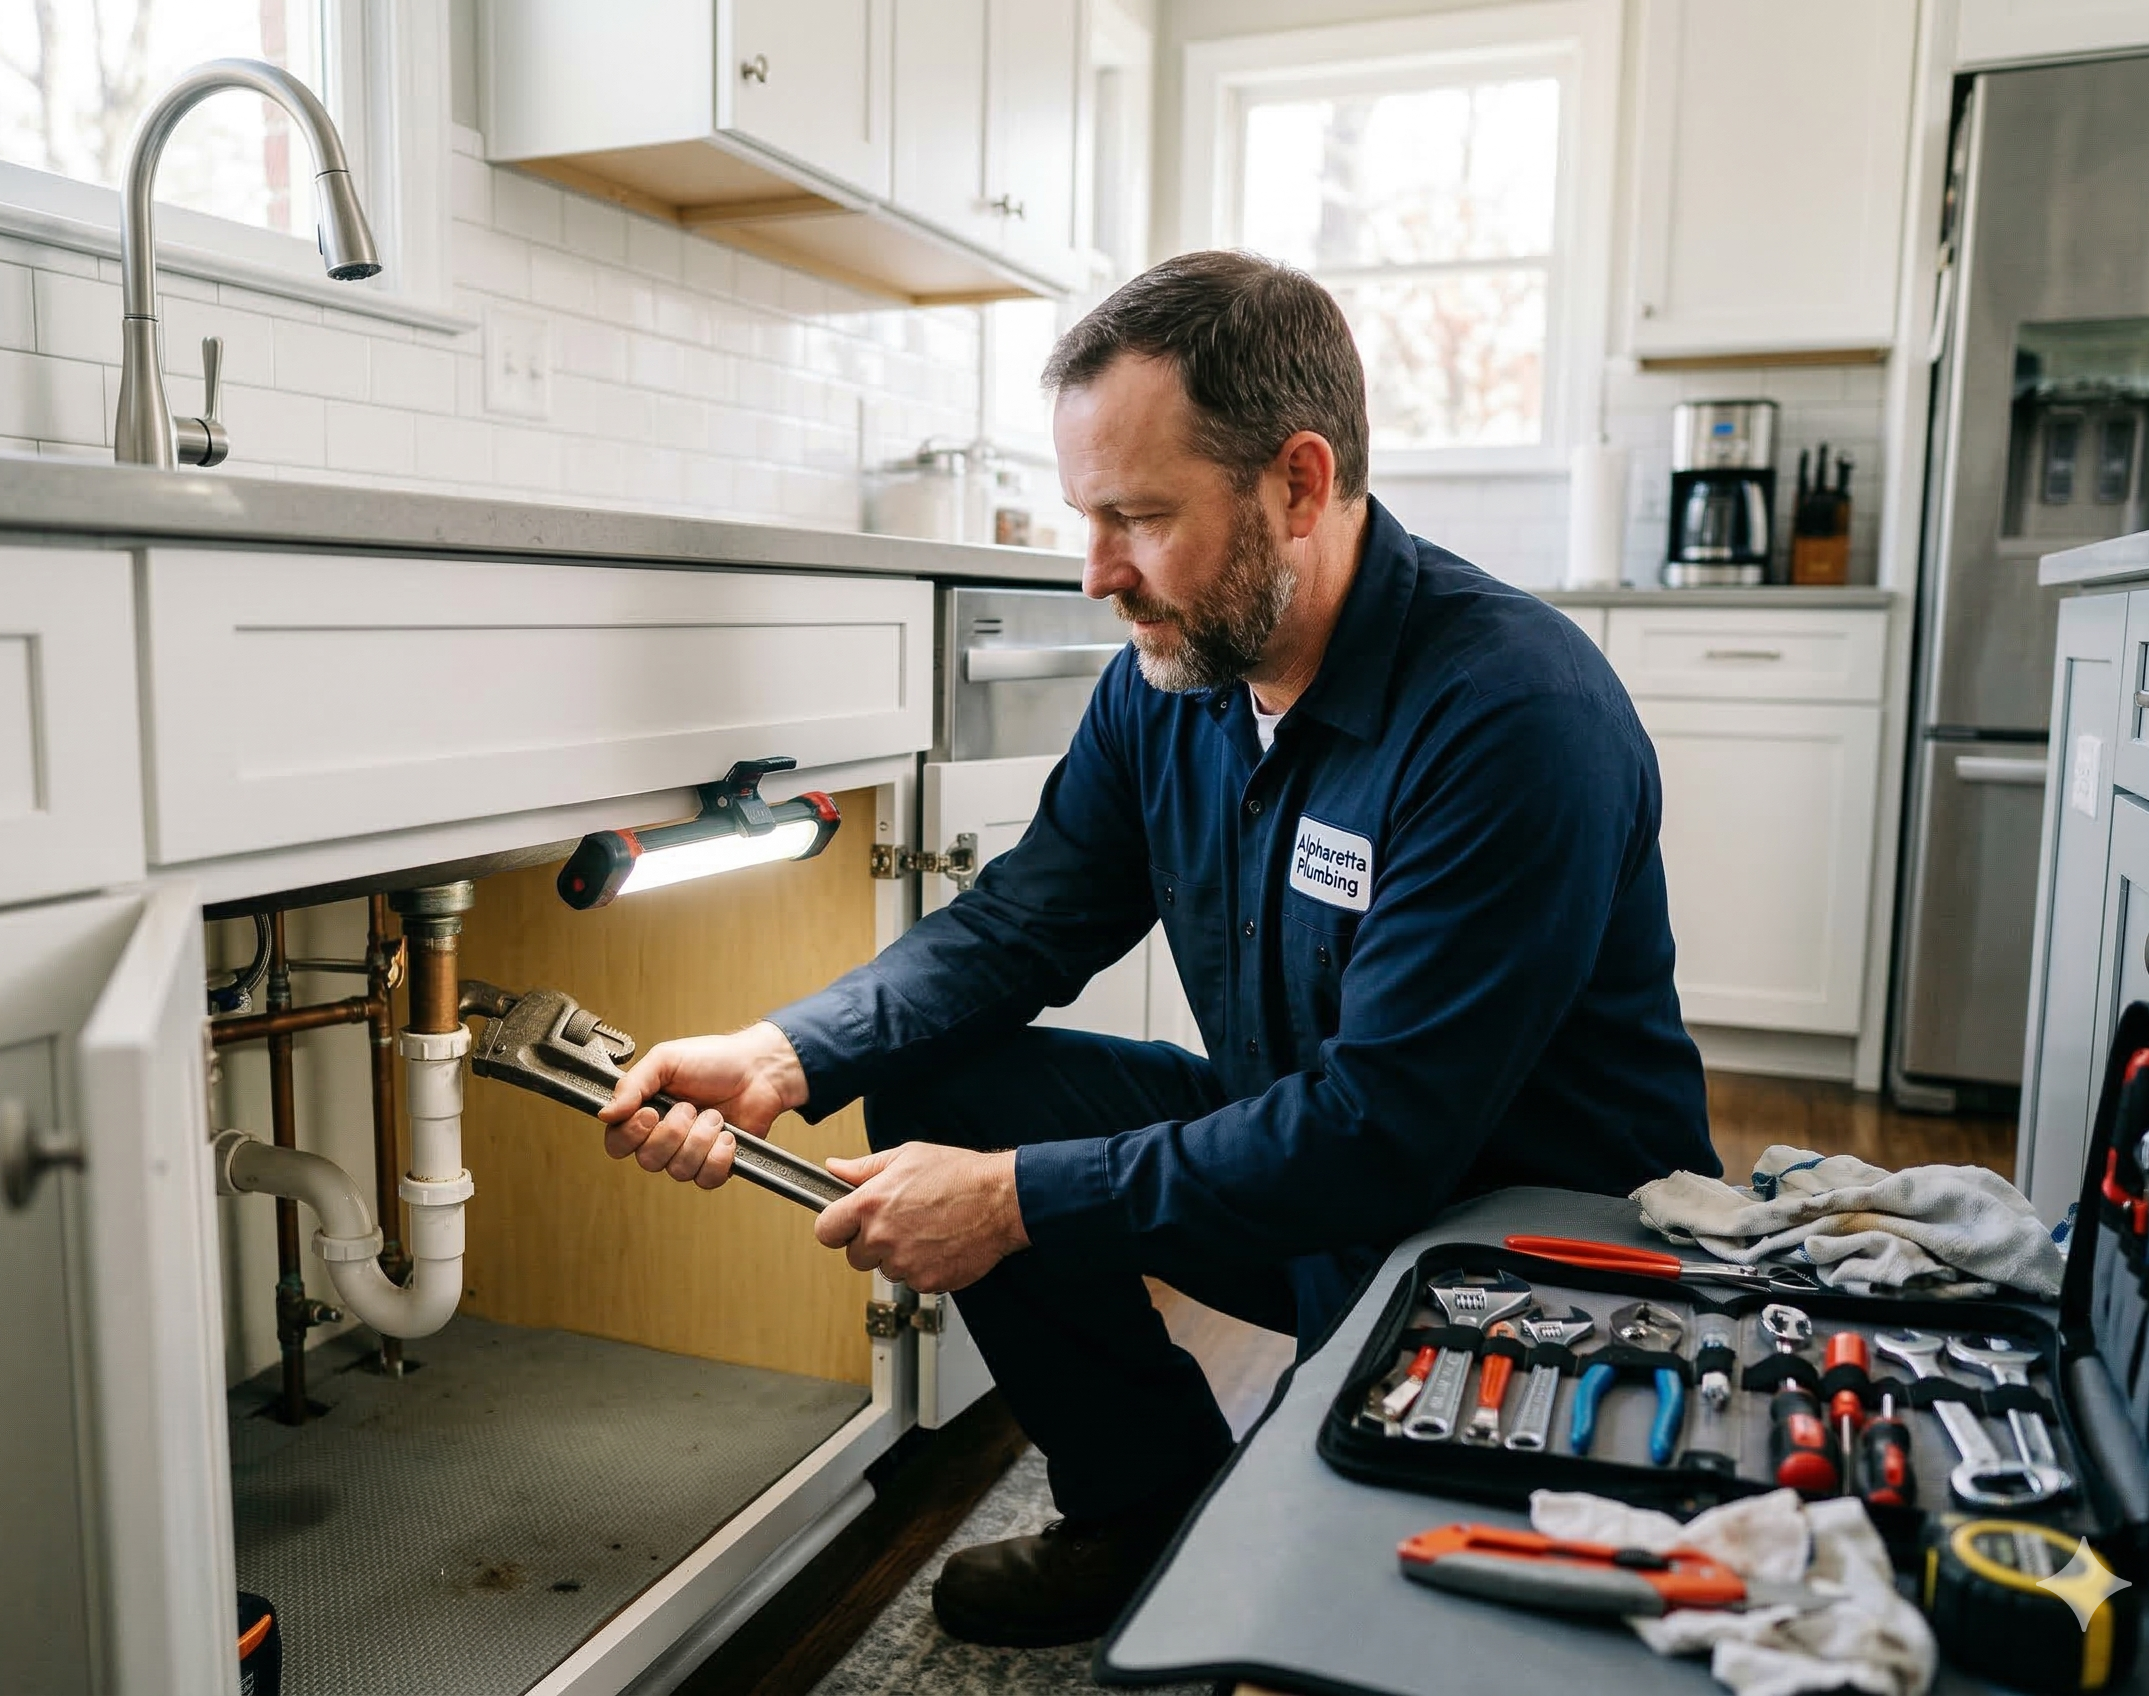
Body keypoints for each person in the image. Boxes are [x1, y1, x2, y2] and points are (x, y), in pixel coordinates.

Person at [598, 250, 1716, 1648]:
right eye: (1088, 517)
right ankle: (1143, 1508)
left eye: (1138, 517)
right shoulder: (1174, 680)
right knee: (949, 1091)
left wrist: (1016, 1203)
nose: (1096, 576)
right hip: (1314, 1190)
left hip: (1521, 1250)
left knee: (1361, 1633)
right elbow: (1024, 920)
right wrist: (782, 1052)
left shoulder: (1514, 715)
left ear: (1298, 486)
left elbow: (1385, 1135)